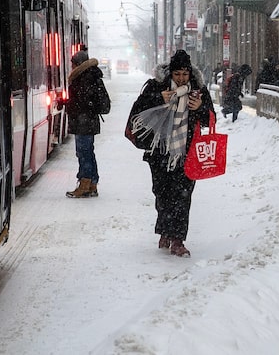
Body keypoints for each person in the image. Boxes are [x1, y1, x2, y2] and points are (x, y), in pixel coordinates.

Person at [127, 50, 214, 257]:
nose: (182, 78)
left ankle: (178, 239)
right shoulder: (156, 87)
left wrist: (200, 107)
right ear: (170, 74)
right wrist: (158, 98)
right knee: (162, 193)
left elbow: (211, 118)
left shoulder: (198, 91)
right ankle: (165, 231)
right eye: (177, 74)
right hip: (160, 152)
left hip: (187, 152)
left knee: (183, 196)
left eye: (185, 74)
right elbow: (137, 110)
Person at [63, 47, 111, 198]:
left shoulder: (84, 78)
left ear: (78, 64)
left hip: (84, 122)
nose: (72, 68)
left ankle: (84, 184)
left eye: (73, 64)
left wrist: (69, 103)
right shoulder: (90, 76)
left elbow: (81, 101)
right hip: (87, 121)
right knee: (88, 152)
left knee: (83, 153)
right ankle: (92, 184)